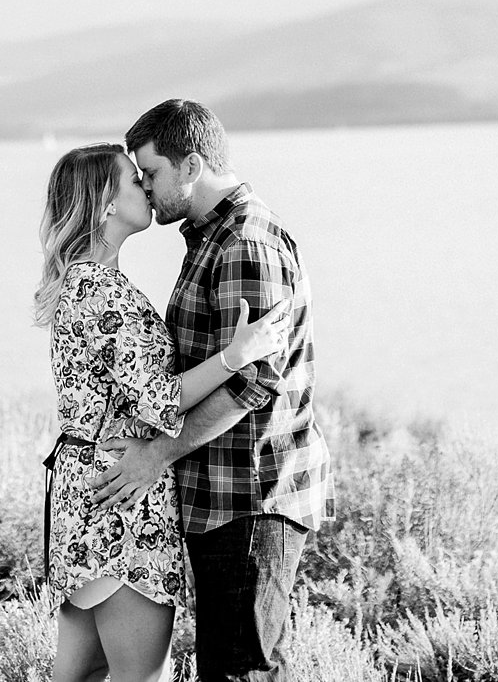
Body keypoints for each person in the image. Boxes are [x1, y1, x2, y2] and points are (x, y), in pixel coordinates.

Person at [93, 100, 330, 682]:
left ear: (191, 164)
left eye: (151, 173)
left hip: (249, 495)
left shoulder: (244, 244)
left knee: (240, 672)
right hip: (220, 496)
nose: (146, 189)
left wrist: (156, 456)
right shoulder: (208, 238)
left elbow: (255, 386)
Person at [35, 142, 288, 682]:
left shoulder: (84, 284)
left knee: (79, 672)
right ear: (105, 203)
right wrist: (234, 357)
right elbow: (160, 401)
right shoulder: (102, 292)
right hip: (120, 502)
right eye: (134, 179)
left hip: (88, 488)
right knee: (139, 676)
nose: (146, 188)